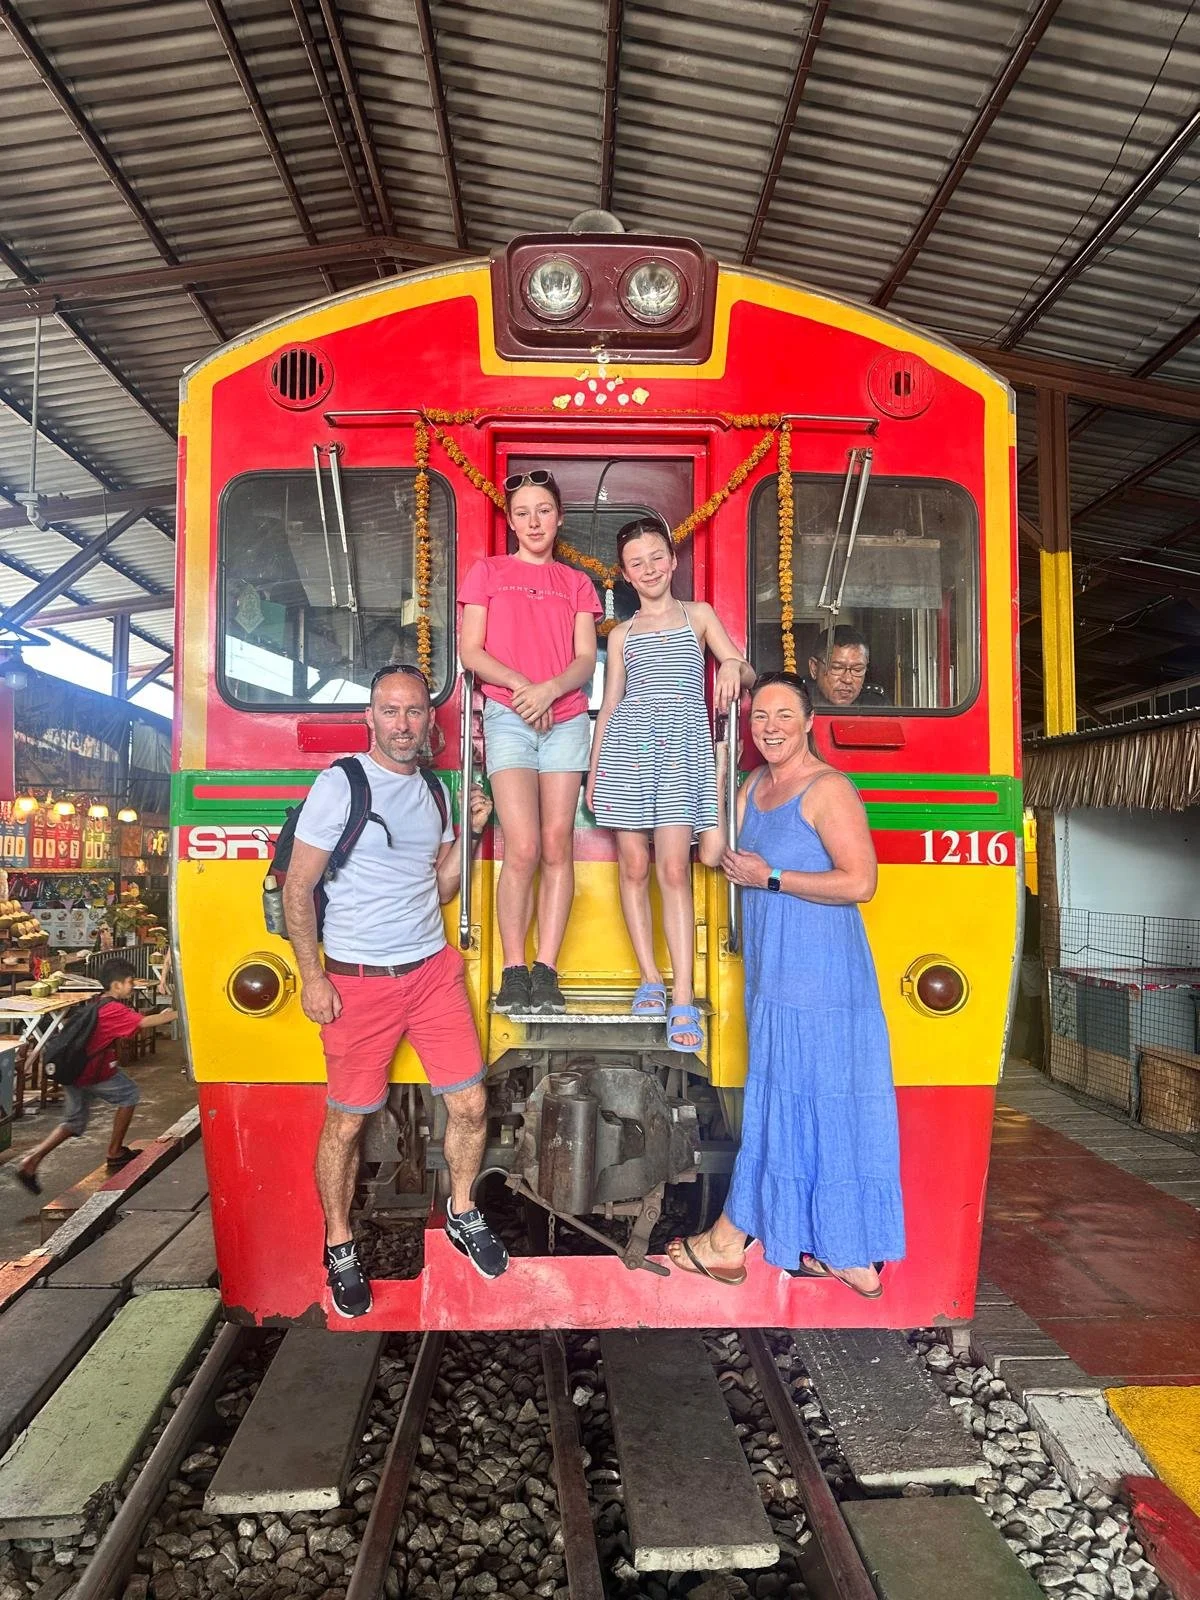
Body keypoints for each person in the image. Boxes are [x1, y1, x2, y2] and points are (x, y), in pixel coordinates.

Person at [667, 671, 904, 1296]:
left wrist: (773, 877)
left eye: (782, 715)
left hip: (822, 976)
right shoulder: (754, 785)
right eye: (758, 718)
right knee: (793, 1103)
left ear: (807, 723)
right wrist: (706, 750)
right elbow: (716, 851)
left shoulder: (828, 790)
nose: (769, 727)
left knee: (815, 1101)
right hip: (774, 977)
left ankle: (739, 1241)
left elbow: (861, 882)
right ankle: (835, 1251)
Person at [283, 663, 505, 1319]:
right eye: (390, 711)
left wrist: (470, 834)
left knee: (469, 1102)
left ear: (427, 722)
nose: (403, 724)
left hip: (431, 971)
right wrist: (313, 975)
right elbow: (298, 888)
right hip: (359, 981)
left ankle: (463, 1210)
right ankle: (340, 1243)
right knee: (348, 1122)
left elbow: (437, 888)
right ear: (371, 718)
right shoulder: (341, 784)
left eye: (413, 712)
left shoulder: (435, 792)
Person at [587, 517, 753, 1052]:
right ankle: (650, 978)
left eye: (657, 556)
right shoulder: (623, 635)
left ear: (673, 560)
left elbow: (744, 670)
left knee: (675, 868)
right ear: (625, 575)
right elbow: (611, 704)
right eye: (637, 562)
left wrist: (730, 664)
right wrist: (595, 770)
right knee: (634, 866)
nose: (650, 568)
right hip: (628, 752)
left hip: (682, 752)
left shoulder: (697, 616)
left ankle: (683, 993)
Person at [458, 470, 602, 1015]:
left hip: (566, 719)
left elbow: (586, 660)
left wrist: (550, 690)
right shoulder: (488, 573)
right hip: (508, 717)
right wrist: (523, 689)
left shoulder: (576, 583)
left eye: (544, 510)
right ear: (511, 521)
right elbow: (472, 651)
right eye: (523, 512)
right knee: (521, 847)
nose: (534, 521)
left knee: (556, 842)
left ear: (558, 518)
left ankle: (546, 968)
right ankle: (513, 967)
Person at [13, 958, 178, 1195]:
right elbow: (144, 1022)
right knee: (129, 1094)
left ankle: (31, 1160)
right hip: (93, 1072)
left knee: (73, 1122)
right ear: (117, 985)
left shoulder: (98, 1003)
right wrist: (180, 1013)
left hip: (74, 1071)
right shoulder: (113, 1009)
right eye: (130, 982)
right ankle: (115, 1152)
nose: (132, 986)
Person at [806, 625, 883, 708]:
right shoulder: (798, 700)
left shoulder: (876, 703)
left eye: (857, 670)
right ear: (814, 668)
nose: (847, 679)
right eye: (837, 668)